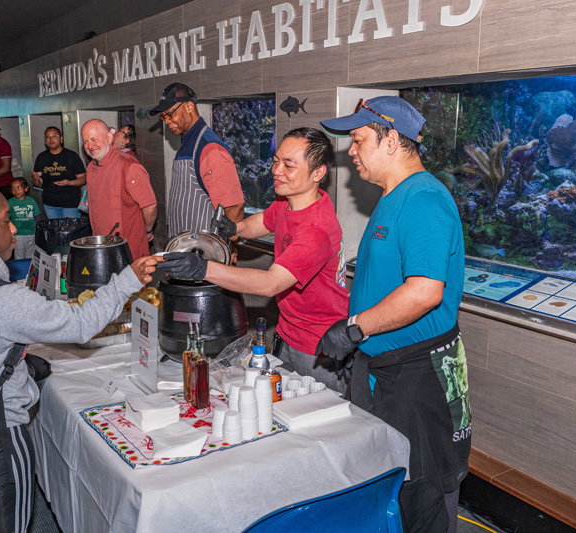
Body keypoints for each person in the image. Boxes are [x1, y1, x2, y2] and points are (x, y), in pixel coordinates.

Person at [0, 184, 158, 532]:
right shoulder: (1, 299)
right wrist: (126, 281)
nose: (14, 228)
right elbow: (80, 324)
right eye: (5, 220)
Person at [316, 96, 469, 533]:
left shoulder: (423, 200)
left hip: (417, 378)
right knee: (391, 490)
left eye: (359, 140)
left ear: (392, 141)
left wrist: (355, 329)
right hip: (385, 370)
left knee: (424, 497)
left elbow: (424, 292)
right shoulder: (392, 196)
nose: (351, 151)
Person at [158, 128, 349, 392]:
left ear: (318, 173)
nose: (276, 171)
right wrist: (235, 228)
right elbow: (265, 221)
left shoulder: (316, 229)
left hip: (317, 344)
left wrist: (202, 269)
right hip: (287, 330)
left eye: (288, 165)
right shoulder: (287, 201)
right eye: (276, 161)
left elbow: (270, 284)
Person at [149, 82, 244, 238]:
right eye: (163, 117)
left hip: (203, 249)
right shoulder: (187, 142)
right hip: (184, 247)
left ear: (189, 107)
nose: (166, 121)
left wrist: (228, 245)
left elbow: (234, 207)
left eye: (170, 114)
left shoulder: (210, 148)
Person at [80, 119, 157, 260]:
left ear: (109, 138)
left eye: (94, 139)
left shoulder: (128, 165)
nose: (90, 146)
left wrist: (147, 231)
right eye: (85, 141)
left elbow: (149, 205)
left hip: (128, 247)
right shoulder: (91, 167)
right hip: (100, 245)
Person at [31, 126, 86, 219]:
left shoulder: (71, 156)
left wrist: (69, 183)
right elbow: (37, 183)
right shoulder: (41, 157)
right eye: (48, 137)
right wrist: (35, 179)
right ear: (45, 141)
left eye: (54, 136)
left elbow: (84, 179)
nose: (51, 139)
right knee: (54, 228)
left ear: (61, 139)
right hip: (50, 204)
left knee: (70, 228)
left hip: (70, 203)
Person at [8, 177, 40, 260]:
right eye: (13, 188)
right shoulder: (10, 202)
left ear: (26, 189)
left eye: (18, 187)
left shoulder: (32, 201)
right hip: (18, 234)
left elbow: (37, 216)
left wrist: (38, 230)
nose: (16, 190)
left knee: (31, 255)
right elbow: (7, 218)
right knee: (19, 255)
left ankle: (29, 268)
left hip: (32, 232)